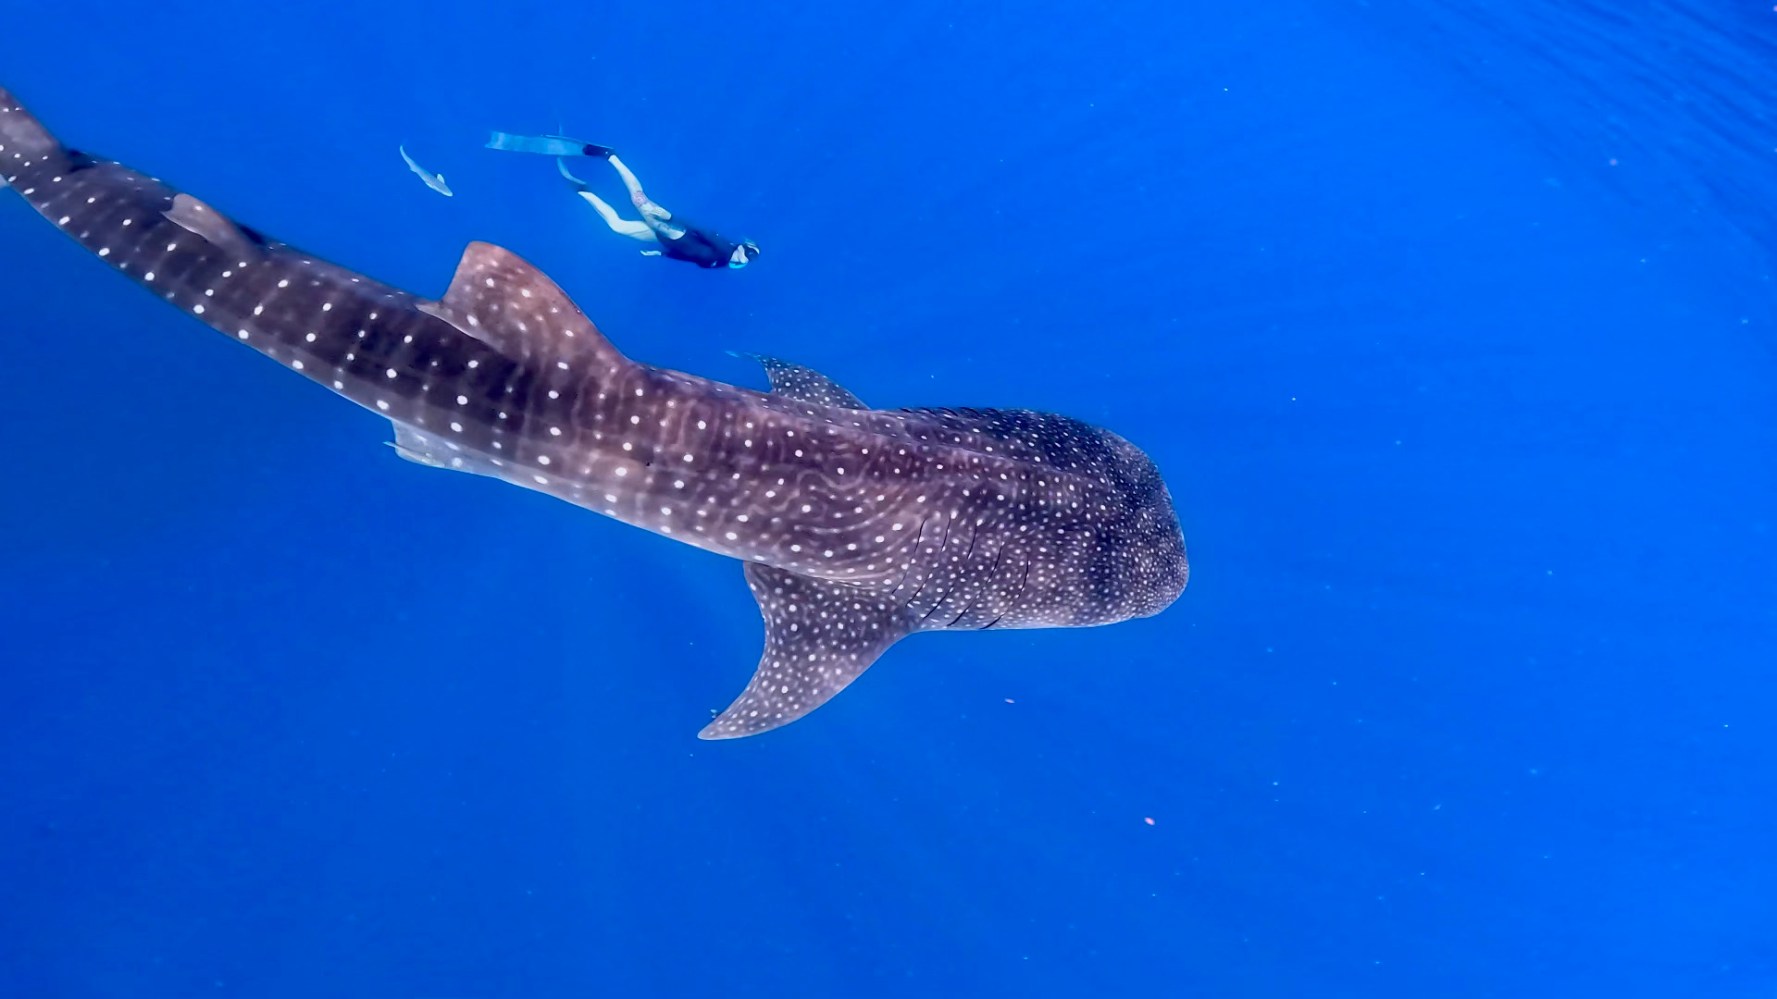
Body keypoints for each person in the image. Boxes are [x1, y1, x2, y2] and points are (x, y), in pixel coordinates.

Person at [487, 131, 761, 270]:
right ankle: (611, 156)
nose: (745, 257)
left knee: (616, 227)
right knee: (638, 200)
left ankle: (583, 191)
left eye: (750, 258)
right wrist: (666, 220)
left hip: (662, 239)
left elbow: (688, 257)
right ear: (743, 247)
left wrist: (661, 253)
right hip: (669, 227)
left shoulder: (719, 263)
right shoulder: (724, 246)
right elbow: (698, 230)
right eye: (748, 252)